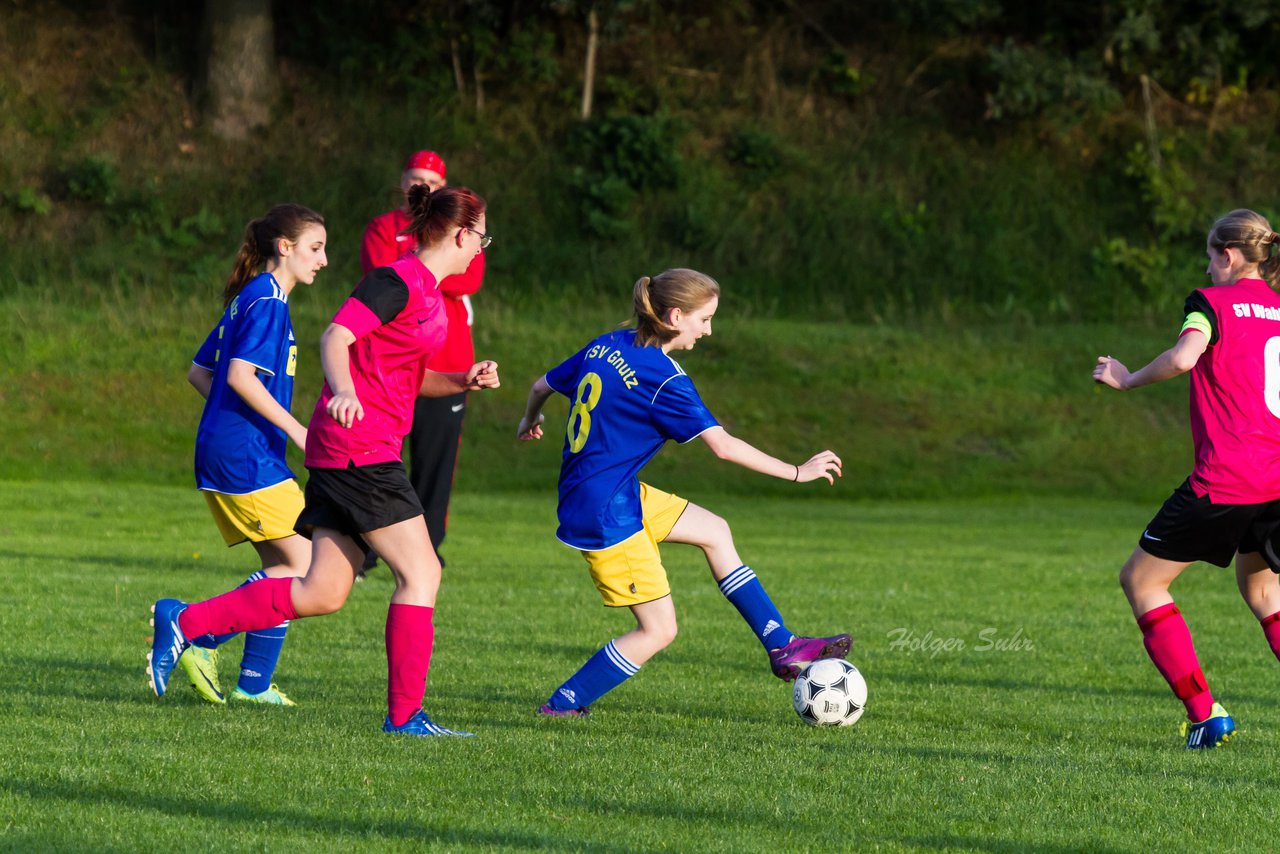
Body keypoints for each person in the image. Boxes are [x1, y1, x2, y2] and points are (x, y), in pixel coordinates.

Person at [148, 185, 499, 738]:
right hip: (360, 448)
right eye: (482, 235)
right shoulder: (396, 280)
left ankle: (187, 622)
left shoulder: (431, 295)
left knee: (323, 591)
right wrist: (342, 390)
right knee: (422, 571)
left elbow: (405, 379)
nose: (483, 246)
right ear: (461, 234)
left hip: (356, 449)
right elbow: (336, 335)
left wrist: (461, 379)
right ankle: (406, 718)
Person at [517, 268, 851, 717]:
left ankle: (781, 645)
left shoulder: (608, 344)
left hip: (606, 492)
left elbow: (541, 385)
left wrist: (529, 418)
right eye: (705, 319)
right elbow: (724, 447)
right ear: (675, 316)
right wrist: (797, 471)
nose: (709, 330)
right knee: (658, 630)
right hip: (606, 513)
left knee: (715, 531)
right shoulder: (665, 379)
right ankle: (563, 705)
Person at [1094, 208, 1280, 749]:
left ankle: (1205, 715)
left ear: (1226, 256)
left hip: (1228, 479)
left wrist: (1126, 379)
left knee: (1143, 581)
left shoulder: (1210, 303)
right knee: (1264, 591)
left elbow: (1183, 358)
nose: (1207, 268)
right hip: (1275, 479)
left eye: (1209, 257)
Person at [180, 203, 328, 707]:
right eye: (315, 248)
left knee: (285, 569)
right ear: (284, 248)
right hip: (245, 456)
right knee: (309, 571)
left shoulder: (252, 297)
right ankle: (195, 632)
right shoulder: (268, 302)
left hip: (238, 450)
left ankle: (253, 684)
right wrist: (298, 431)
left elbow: (201, 373)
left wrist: (233, 419)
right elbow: (239, 378)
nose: (323, 260)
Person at [360, 150, 486, 571]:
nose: (423, 187)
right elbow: (385, 280)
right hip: (392, 361)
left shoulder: (462, 230)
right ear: (403, 180)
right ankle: (363, 549)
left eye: (432, 182)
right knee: (377, 455)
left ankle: (426, 547)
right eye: (416, 178)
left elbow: (469, 276)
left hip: (448, 359)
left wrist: (430, 265)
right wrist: (430, 265)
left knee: (435, 461)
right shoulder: (384, 227)